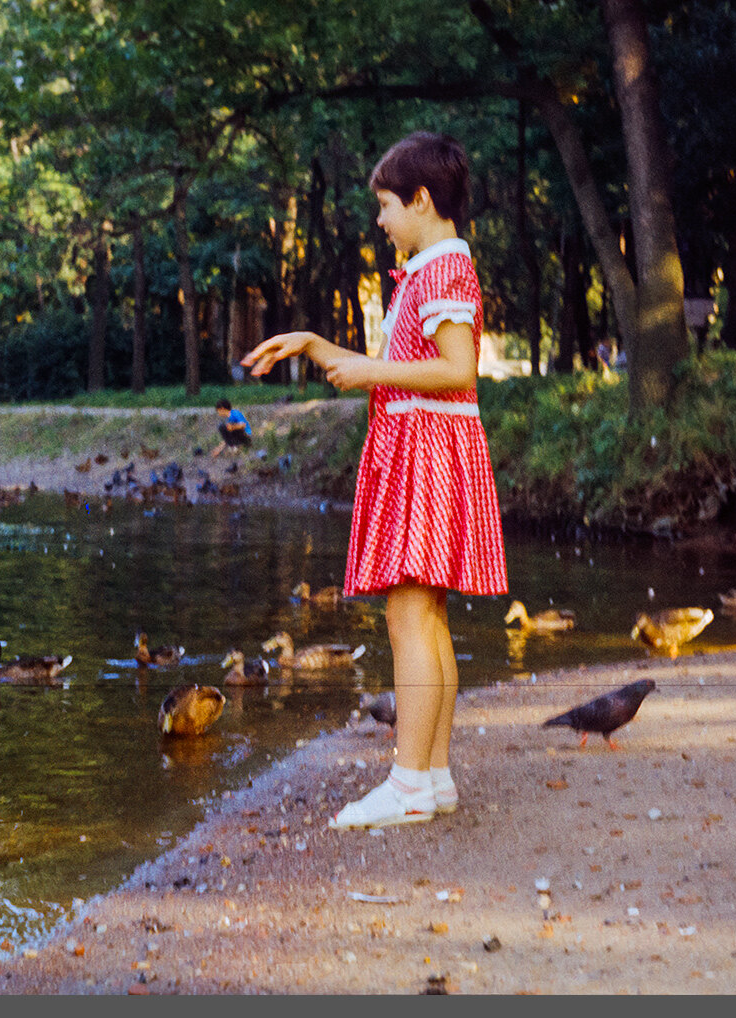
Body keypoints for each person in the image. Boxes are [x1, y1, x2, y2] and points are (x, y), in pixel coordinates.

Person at [241, 131, 507, 829]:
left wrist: (369, 371)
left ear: (421, 201)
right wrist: (314, 344)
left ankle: (410, 782)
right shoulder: (431, 269)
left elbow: (457, 370)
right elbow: (400, 364)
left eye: (387, 205)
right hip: (426, 447)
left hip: (427, 450)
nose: (381, 220)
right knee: (426, 614)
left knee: (408, 614)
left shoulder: (444, 270)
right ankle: (434, 774)